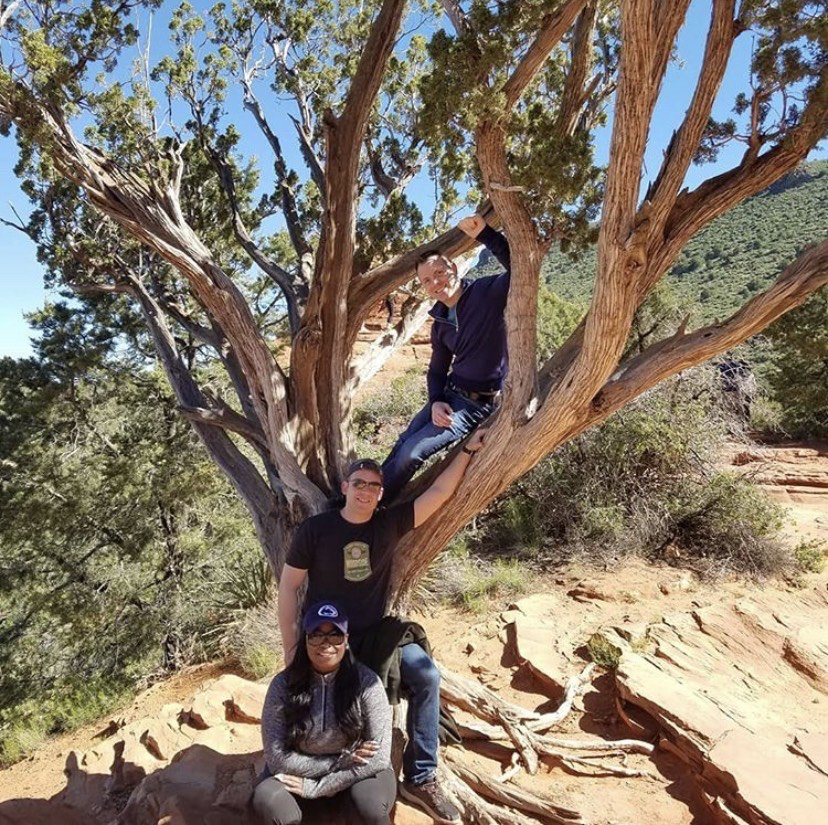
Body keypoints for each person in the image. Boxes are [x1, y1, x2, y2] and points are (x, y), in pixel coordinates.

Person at [278, 431, 486, 825]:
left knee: (425, 675)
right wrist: (291, 647)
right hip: (327, 638)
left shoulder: (388, 524)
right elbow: (289, 586)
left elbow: (439, 493)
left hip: (376, 634)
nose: (367, 491)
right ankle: (315, 780)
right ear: (345, 487)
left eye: (375, 486)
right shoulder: (317, 530)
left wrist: (467, 450)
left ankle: (421, 777)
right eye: (360, 483)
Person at [380, 213, 510, 501]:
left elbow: (520, 266)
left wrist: (486, 234)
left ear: (453, 267)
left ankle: (376, 506)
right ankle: (367, 496)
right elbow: (437, 371)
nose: (435, 283)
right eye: (427, 280)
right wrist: (436, 400)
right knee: (401, 444)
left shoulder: (488, 292)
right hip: (449, 396)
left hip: (476, 405)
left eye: (439, 273)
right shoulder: (440, 322)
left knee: (413, 452)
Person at [253, 601, 396, 825]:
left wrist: (320, 787)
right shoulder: (282, 685)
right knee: (268, 799)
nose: (326, 643)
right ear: (305, 639)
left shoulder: (367, 683)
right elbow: (277, 758)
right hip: (309, 772)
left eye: (335, 635)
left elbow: (378, 758)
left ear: (346, 640)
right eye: (317, 635)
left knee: (370, 805)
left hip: (358, 777)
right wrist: (338, 762)